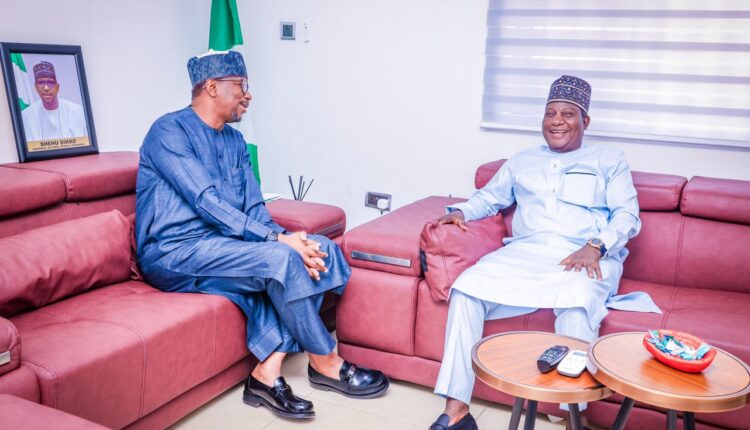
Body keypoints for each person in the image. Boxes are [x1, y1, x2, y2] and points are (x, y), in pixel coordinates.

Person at [135, 50, 389, 420]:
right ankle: (325, 361)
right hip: (175, 251)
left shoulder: (235, 142)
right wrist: (277, 243)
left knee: (323, 249)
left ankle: (267, 371)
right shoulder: (168, 131)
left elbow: (253, 208)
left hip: (225, 244)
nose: (248, 95)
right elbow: (205, 201)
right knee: (283, 260)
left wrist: (291, 239)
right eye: (241, 85)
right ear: (212, 87)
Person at [428, 75, 660, 430]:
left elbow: (627, 216)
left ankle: (572, 415)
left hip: (584, 255)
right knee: (465, 289)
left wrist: (596, 245)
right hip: (525, 253)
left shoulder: (609, 160)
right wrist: (460, 212)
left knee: (578, 301)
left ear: (585, 121)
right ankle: (457, 410)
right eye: (550, 113)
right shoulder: (522, 160)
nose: (556, 121)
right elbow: (489, 198)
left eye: (567, 114)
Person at [21, 61, 88, 141]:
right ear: (36, 87)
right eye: (41, 82)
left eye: (51, 82)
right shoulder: (26, 116)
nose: (46, 88)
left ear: (57, 87)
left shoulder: (79, 112)